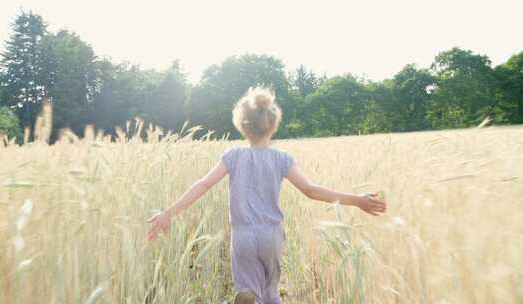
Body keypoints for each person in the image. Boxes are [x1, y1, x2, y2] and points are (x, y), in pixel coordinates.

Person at [147, 87, 387, 304]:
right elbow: (311, 190)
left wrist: (168, 213)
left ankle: (248, 297)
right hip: (271, 235)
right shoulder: (282, 159)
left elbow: (203, 185)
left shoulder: (232, 156)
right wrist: (357, 200)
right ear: (273, 125)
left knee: (248, 289)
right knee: (271, 291)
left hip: (242, 236)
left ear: (242, 126)